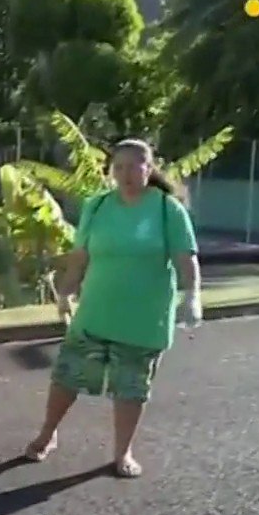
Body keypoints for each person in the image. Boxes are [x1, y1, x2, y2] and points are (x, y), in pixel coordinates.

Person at [26, 139, 201, 479]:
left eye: (133, 166)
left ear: (148, 169)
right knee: (66, 378)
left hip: (143, 320)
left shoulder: (167, 209)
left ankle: (123, 453)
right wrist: (65, 293)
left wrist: (192, 296)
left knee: (131, 389)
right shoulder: (98, 206)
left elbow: (185, 258)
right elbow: (80, 256)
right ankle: (47, 434)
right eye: (118, 167)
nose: (125, 174)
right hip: (95, 314)